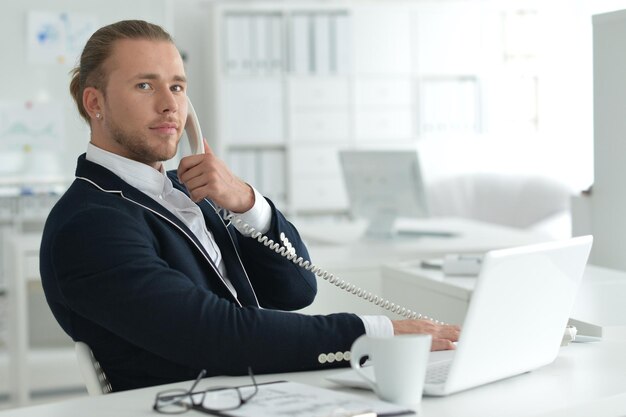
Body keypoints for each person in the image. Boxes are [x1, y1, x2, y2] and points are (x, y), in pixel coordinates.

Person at [40, 20, 460, 392]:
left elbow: (296, 290)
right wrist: (376, 334)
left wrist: (247, 203)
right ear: (95, 103)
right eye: (145, 85)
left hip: (260, 390)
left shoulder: (185, 191)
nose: (171, 105)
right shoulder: (90, 222)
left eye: (178, 86)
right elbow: (213, 334)